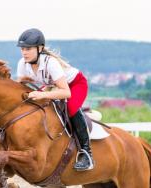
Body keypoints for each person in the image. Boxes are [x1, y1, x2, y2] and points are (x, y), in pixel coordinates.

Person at [16, 28, 94, 171]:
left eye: (28, 48)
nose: (24, 52)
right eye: (22, 49)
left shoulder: (50, 62)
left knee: (70, 108)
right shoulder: (22, 64)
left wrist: (42, 94)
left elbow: (65, 92)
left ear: (40, 48)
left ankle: (86, 153)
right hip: (52, 87)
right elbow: (21, 87)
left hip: (74, 85)